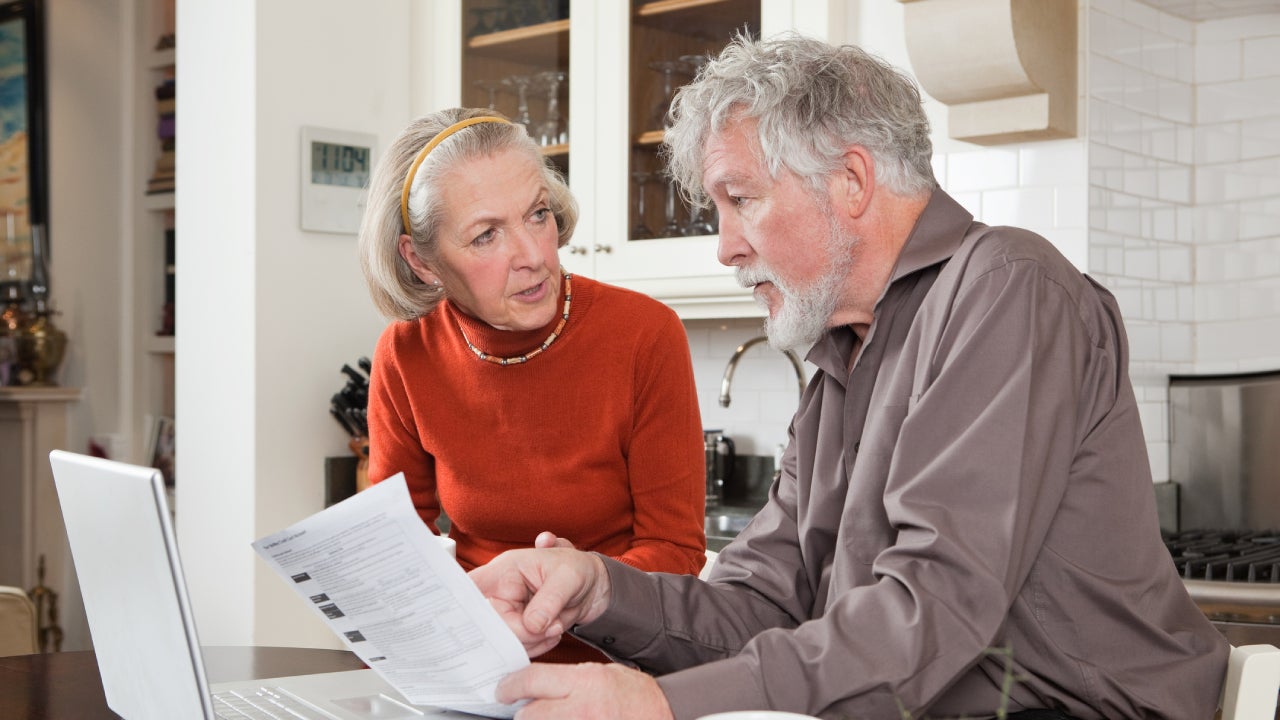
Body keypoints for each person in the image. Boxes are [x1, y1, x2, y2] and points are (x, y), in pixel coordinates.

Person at [468, 34, 1229, 719]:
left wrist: (661, 705)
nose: (726, 247)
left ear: (852, 183)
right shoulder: (838, 358)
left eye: (741, 200)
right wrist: (601, 591)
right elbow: (763, 604)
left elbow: (933, 611)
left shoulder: (1008, 289)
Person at [357, 108, 707, 664]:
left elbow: (678, 552)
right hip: (477, 660)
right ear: (421, 261)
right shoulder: (406, 354)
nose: (534, 256)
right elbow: (400, 552)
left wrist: (581, 586)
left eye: (538, 215)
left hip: (624, 666)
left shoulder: (645, 335)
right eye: (486, 235)